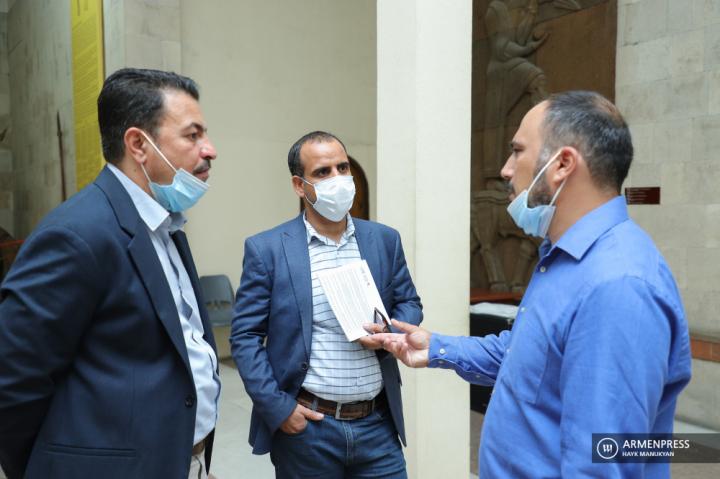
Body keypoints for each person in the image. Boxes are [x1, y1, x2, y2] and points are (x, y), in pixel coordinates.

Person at [370, 91, 692, 478]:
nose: (506, 170)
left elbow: (601, 465)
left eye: (517, 151)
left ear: (562, 164)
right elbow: (525, 356)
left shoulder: (620, 286)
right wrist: (436, 347)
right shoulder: (562, 258)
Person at [0, 68, 220, 479]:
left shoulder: (166, 224)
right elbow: (14, 379)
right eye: (193, 135)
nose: (210, 150)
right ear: (138, 144)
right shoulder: (76, 235)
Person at [231, 131, 423, 478]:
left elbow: (409, 302)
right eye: (322, 172)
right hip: (309, 430)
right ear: (299, 185)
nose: (338, 178)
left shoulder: (383, 240)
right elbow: (245, 337)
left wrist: (389, 330)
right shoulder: (267, 250)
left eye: (342, 167)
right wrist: (279, 408)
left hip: (378, 425)